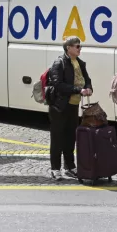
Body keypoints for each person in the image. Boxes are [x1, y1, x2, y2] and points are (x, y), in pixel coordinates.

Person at [45, 36, 92, 181]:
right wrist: (78, 90)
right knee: (57, 137)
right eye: (77, 46)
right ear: (68, 48)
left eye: (80, 46)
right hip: (59, 106)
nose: (80, 49)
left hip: (73, 105)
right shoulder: (59, 63)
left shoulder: (80, 63)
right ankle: (55, 169)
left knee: (71, 137)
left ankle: (70, 166)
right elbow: (57, 84)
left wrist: (89, 87)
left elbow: (87, 79)